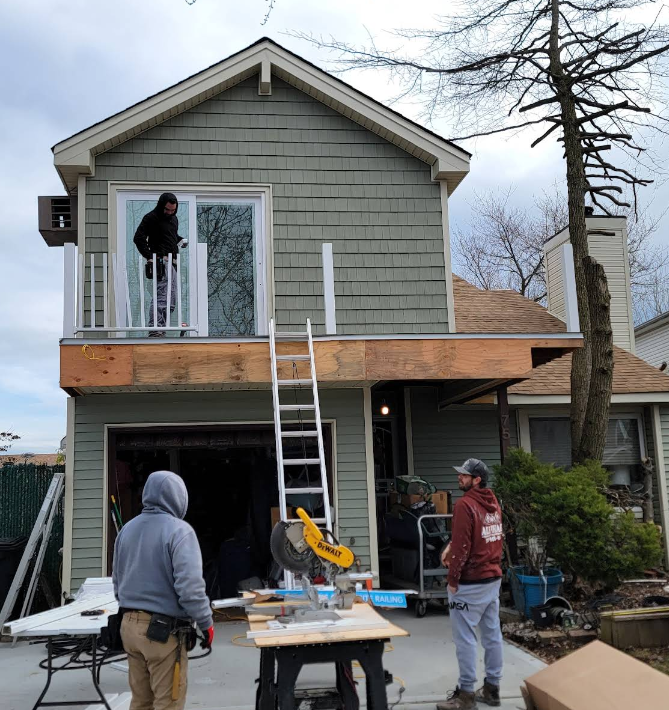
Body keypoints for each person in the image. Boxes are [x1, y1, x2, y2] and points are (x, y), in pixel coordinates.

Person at [112, 470, 214, 710]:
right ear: (178, 497)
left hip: (128, 627)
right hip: (161, 633)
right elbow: (190, 588)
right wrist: (205, 621)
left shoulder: (127, 530)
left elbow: (117, 581)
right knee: (168, 703)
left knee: (141, 702)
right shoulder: (179, 531)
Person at [438, 458, 504, 709]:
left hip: (470, 581)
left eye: (465, 475)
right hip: (492, 577)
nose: (460, 477)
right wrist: (452, 544)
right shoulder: (492, 502)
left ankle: (466, 695)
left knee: (465, 638)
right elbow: (480, 536)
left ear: (477, 480)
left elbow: (463, 546)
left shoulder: (464, 504)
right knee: (492, 635)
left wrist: (453, 580)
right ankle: (492, 689)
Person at [133, 193, 187, 337]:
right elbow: (138, 238)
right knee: (162, 296)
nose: (169, 213)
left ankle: (161, 328)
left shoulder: (174, 220)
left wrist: (180, 240)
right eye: (167, 210)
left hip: (173, 263)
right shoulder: (151, 218)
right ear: (161, 205)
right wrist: (150, 256)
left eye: (172, 210)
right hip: (161, 262)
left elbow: (170, 236)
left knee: (171, 299)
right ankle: (155, 329)